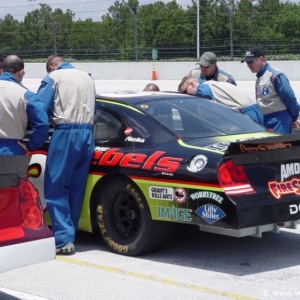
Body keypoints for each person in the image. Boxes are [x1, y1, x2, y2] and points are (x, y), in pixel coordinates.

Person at [36, 55, 96, 254]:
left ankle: (62, 239)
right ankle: (70, 235)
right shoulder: (88, 77)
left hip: (65, 133)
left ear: (52, 67)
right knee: (76, 188)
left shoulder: (54, 77)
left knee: (56, 186)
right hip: (88, 134)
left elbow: (38, 108)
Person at [241, 47, 299, 134]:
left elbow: (289, 97)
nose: (248, 65)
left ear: (260, 59)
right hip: (266, 120)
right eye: (247, 62)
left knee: (279, 146)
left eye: (250, 62)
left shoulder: (275, 75)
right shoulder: (260, 77)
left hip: (279, 120)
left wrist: (293, 117)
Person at [0, 55, 49, 155]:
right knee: (12, 171)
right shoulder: (26, 94)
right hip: (12, 149)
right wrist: (30, 146)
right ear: (21, 72)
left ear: (2, 70)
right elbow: (42, 124)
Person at [178, 76, 264, 125]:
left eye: (185, 91)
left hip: (247, 114)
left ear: (192, 84)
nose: (186, 95)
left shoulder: (202, 90)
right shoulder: (209, 84)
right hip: (254, 111)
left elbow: (210, 114)